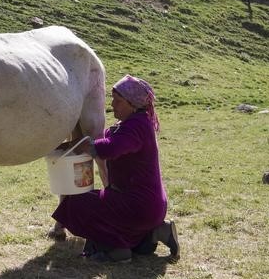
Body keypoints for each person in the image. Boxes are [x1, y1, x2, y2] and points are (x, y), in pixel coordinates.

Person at [51, 74, 179, 263]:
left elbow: (112, 147)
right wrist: (78, 143)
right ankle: (156, 232)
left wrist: (88, 145)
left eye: (118, 101)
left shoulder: (136, 126)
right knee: (97, 203)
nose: (112, 105)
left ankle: (114, 250)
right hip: (146, 205)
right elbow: (108, 139)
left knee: (77, 204)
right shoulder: (137, 122)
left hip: (137, 206)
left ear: (132, 104)